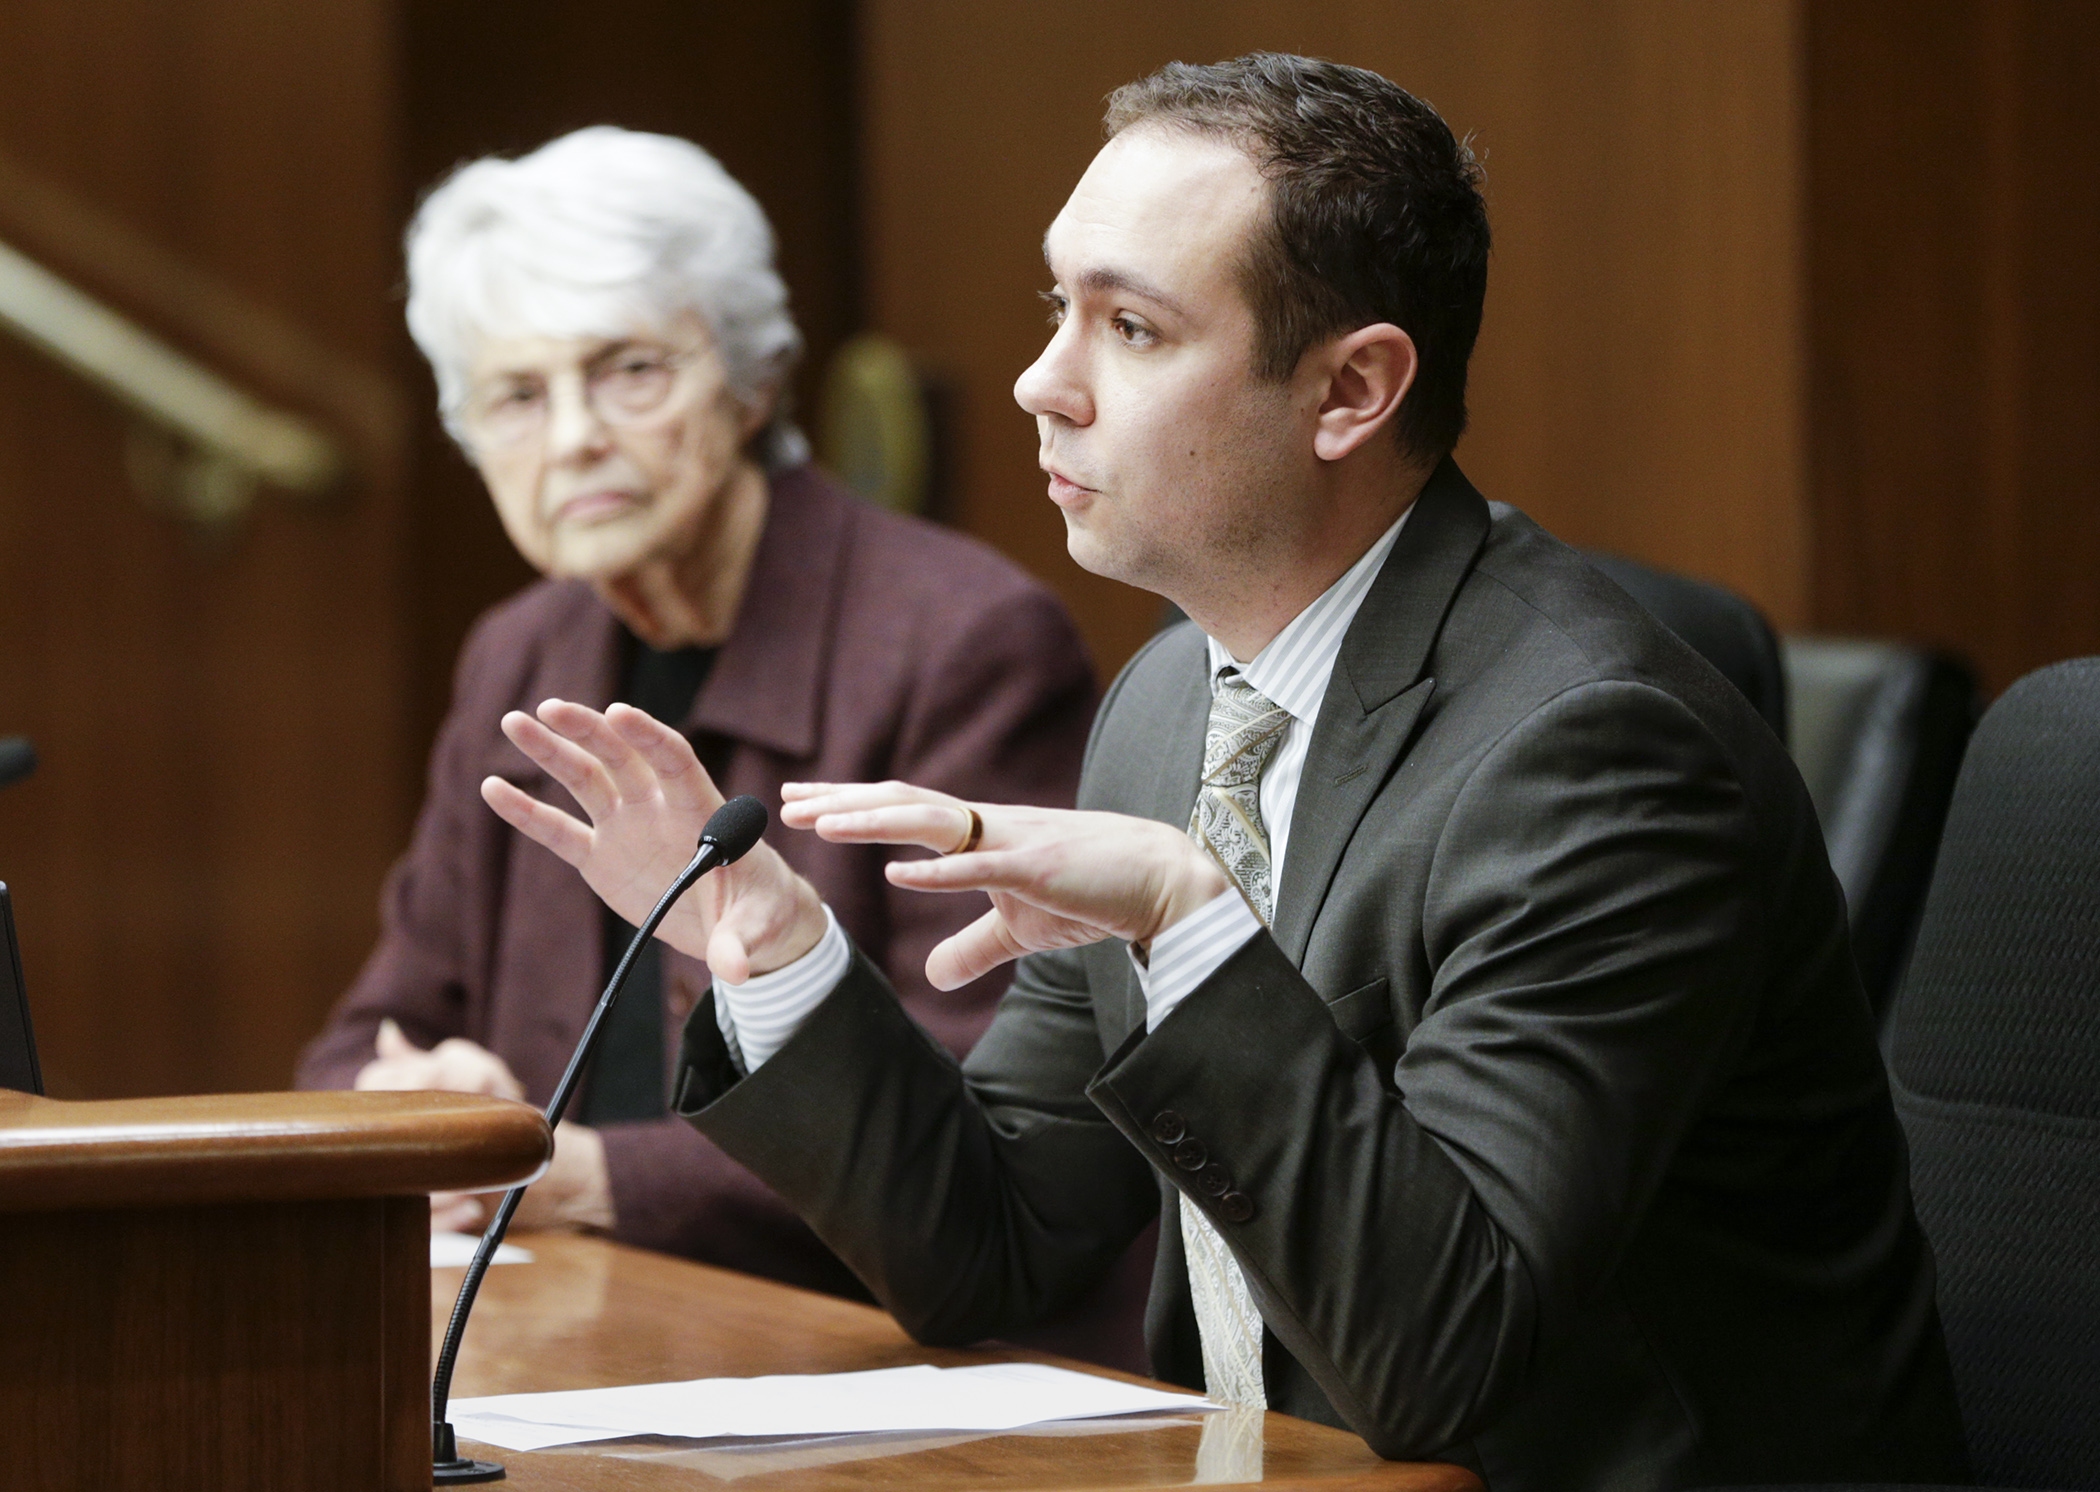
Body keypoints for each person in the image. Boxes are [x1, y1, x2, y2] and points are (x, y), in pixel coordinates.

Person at [478, 61, 1967, 1491]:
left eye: (1129, 329)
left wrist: (1196, 924)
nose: (1038, 382)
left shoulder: (1601, 756)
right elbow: (993, 1243)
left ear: (1349, 392)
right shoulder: (1175, 697)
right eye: (1056, 306)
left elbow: (1444, 1360)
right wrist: (782, 956)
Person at [295, 127, 1121, 1324]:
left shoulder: (963, 640)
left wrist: (570, 1172)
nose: (573, 435)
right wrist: (425, 1096)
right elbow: (355, 1050)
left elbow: (984, 1124)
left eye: (629, 370)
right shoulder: (517, 655)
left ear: (752, 380)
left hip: (866, 1347)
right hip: (581, 1328)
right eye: (517, 396)